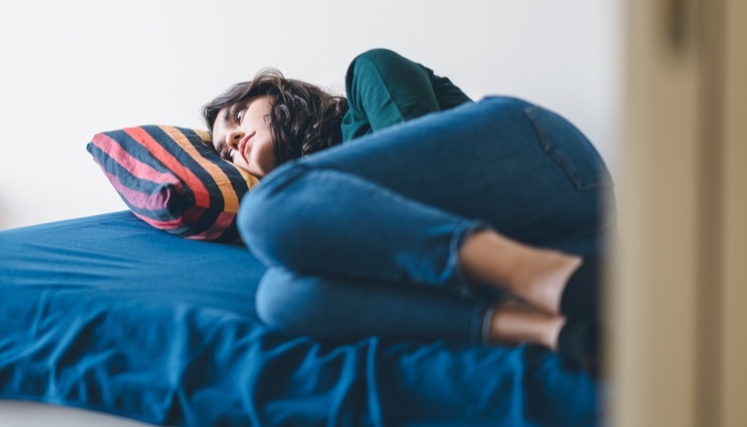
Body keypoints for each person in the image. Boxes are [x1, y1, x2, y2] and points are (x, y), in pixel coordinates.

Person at [203, 48, 611, 376]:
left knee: (263, 210)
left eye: (238, 117)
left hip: (548, 165)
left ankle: (550, 280)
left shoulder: (368, 74)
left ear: (277, 92)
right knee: (280, 297)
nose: (235, 139)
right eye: (225, 151)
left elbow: (430, 176)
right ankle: (552, 329)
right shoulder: (303, 216)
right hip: (549, 235)